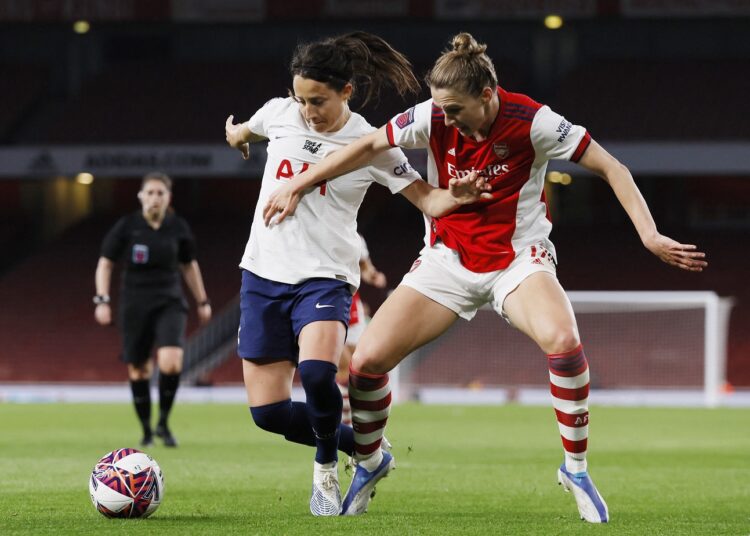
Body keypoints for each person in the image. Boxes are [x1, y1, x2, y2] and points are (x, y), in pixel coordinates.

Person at [262, 32, 709, 521]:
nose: (444, 118)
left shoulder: (534, 122)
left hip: (517, 259)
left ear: (487, 97)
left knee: (562, 339)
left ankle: (576, 469)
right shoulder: (430, 115)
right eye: (440, 108)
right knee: (367, 361)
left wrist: (648, 235)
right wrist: (298, 186)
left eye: (454, 109)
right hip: (445, 260)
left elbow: (611, 166)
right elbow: (368, 144)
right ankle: (369, 461)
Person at [224, 32, 490, 517]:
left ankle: (326, 469)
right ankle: (365, 448)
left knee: (319, 373)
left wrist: (459, 195)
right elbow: (246, 130)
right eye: (300, 98)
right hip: (261, 275)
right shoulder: (278, 113)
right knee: (268, 415)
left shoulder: (370, 142)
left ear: (346, 91)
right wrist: (237, 135)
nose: (307, 110)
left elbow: (428, 200)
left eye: (318, 101)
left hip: (324, 277)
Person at [94, 172, 212, 448]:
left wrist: (202, 300)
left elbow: (188, 264)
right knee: (139, 369)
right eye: (150, 192)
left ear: (168, 198)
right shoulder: (127, 226)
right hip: (134, 304)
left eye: (160, 193)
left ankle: (164, 422)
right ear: (141, 196)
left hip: (170, 300)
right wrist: (102, 299)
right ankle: (146, 429)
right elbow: (105, 262)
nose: (155, 198)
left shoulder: (178, 227)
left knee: (171, 362)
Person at [338, 233, 387, 427]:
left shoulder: (356, 238)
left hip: (353, 306)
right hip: (327, 303)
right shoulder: (320, 227)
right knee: (342, 367)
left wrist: (374, 276)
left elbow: (365, 267)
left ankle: (358, 424)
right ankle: (346, 427)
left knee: (358, 367)